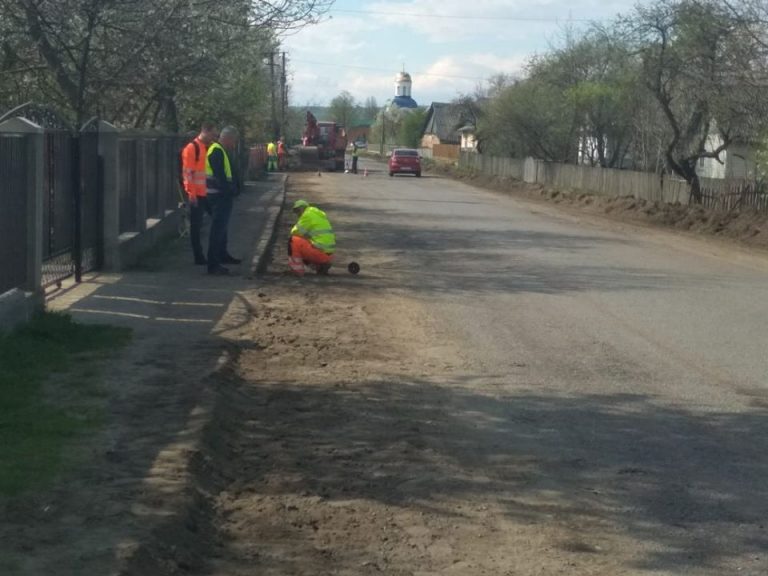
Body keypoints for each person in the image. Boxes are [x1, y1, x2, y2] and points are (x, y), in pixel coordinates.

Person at [205, 126, 242, 275]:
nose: (234, 145)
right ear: (227, 138)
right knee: (217, 230)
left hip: (221, 195)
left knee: (223, 229)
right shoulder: (216, 151)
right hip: (218, 196)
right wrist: (229, 191)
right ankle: (213, 264)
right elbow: (220, 176)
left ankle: (222, 255)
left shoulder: (220, 150)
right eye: (233, 142)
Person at [181, 122, 217, 265]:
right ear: (205, 131)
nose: (214, 137)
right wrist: (192, 194)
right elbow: (188, 173)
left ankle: (208, 254)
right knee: (196, 226)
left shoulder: (205, 147)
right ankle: (198, 256)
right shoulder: (192, 148)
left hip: (206, 193)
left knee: (214, 221)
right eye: (213, 134)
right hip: (196, 195)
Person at [288, 199, 336, 276]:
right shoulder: (317, 214)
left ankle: (297, 270)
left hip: (320, 253)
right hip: (328, 254)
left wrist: (304, 235)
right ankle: (320, 266)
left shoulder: (307, 215)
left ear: (301, 209)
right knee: (306, 242)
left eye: (297, 211)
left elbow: (294, 232)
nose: (297, 215)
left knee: (293, 240)